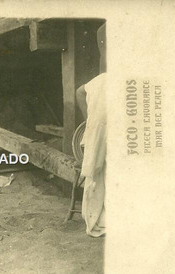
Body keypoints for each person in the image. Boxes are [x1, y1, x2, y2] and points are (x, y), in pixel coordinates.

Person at [75, 23, 107, 237]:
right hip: (102, 131)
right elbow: (79, 92)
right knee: (100, 171)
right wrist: (90, 123)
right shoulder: (102, 82)